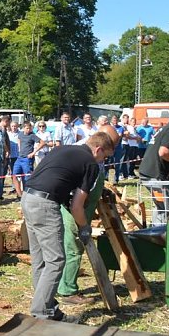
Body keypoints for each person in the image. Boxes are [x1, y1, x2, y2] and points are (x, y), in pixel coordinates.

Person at [22, 131, 114, 322]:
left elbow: (55, 179)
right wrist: (84, 227)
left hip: (28, 198)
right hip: (45, 205)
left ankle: (48, 308)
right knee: (56, 260)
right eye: (104, 157)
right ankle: (42, 312)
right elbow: (77, 206)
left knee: (41, 260)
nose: (102, 161)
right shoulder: (90, 164)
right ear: (98, 149)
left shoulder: (63, 149)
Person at [57, 124, 119, 305]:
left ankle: (64, 285)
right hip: (75, 209)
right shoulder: (83, 153)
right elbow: (76, 190)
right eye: (110, 146)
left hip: (84, 206)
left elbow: (92, 180)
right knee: (74, 248)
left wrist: (101, 190)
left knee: (73, 247)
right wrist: (82, 223)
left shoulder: (93, 152)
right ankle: (68, 291)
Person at [13, 122, 39, 190]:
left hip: (27, 159)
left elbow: (42, 143)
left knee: (27, 177)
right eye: (27, 128)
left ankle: (26, 192)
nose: (28, 130)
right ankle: (19, 194)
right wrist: (19, 148)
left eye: (30, 128)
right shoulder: (20, 134)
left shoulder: (32, 135)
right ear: (23, 128)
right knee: (15, 175)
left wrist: (34, 152)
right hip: (19, 158)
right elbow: (19, 139)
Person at [6, 121, 21, 196]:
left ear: (17, 126)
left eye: (15, 126)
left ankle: (19, 188)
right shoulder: (8, 134)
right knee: (12, 172)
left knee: (18, 172)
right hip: (11, 156)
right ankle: (14, 187)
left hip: (18, 155)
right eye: (12, 126)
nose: (14, 127)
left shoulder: (20, 133)